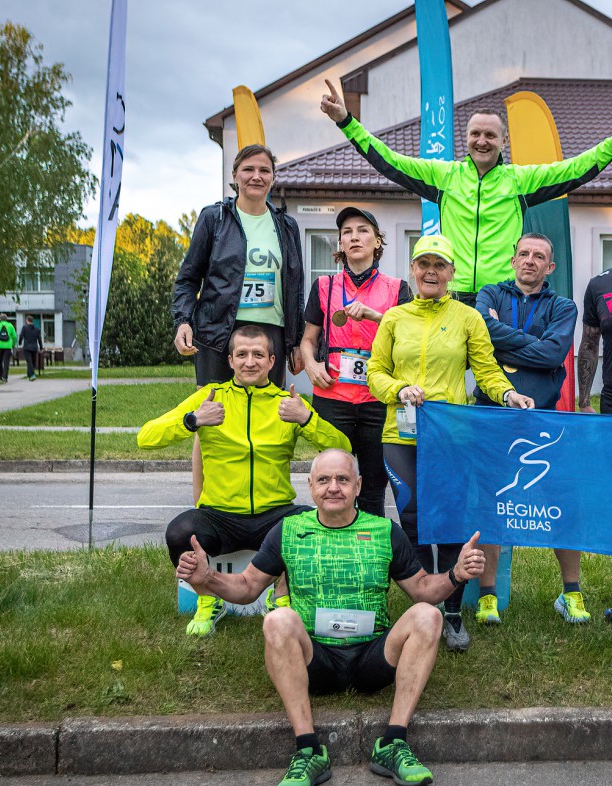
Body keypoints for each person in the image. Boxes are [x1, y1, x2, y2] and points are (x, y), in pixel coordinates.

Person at [175, 448, 487, 786]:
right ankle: (308, 751)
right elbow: (247, 587)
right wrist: (208, 578)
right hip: (315, 659)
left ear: (358, 486)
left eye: (342, 479)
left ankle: (393, 743)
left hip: (373, 658)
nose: (333, 487)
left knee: (429, 615)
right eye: (324, 480)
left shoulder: (384, 531)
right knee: (277, 619)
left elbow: (423, 590)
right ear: (310, 486)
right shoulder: (289, 530)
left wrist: (456, 573)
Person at [319, 80, 612, 303]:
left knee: (499, 376)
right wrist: (346, 121)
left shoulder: (520, 180)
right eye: (475, 134)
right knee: (445, 375)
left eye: (490, 135)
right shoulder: (444, 176)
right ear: (467, 138)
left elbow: (576, 169)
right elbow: (388, 160)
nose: (482, 141)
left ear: (503, 141)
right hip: (452, 292)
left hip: (501, 294)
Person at [367, 234, 534, 652]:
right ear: (412, 270)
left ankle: (454, 611)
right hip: (400, 435)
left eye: (439, 265)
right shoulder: (394, 318)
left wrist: (508, 394)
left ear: (451, 273)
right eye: (423, 264)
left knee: (453, 521)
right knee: (412, 519)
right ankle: (426, 605)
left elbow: (487, 371)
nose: (431, 272)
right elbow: (375, 373)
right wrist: (399, 388)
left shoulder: (467, 317)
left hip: (452, 436)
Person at [138, 325, 350, 637]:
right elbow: (146, 437)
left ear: (272, 361)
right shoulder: (210, 398)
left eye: (258, 355)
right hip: (219, 516)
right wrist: (193, 420)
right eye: (242, 354)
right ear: (230, 361)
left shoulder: (288, 402)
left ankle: (281, 597)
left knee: (312, 524)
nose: (250, 362)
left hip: (273, 515)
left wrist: (306, 419)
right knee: (179, 531)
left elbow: (343, 448)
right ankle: (209, 599)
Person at [171, 144, 306, 500]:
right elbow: (188, 278)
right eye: (248, 169)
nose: (256, 176)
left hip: (271, 334)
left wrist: (294, 342)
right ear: (235, 176)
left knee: (268, 419)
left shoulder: (286, 226)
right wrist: (183, 321)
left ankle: (263, 501)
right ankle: (204, 503)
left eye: (264, 170)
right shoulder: (214, 219)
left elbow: (295, 286)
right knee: (211, 418)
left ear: (273, 178)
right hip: (218, 334)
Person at [471, 232, 589, 625]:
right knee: (490, 503)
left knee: (560, 504)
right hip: (491, 413)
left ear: (549, 266)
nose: (530, 261)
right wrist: (529, 345)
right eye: (523, 253)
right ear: (513, 259)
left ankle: (571, 593)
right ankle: (487, 597)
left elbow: (554, 353)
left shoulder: (563, 306)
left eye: (539, 256)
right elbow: (481, 334)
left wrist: (502, 341)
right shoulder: (490, 293)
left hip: (543, 420)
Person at [299, 207, 412, 518]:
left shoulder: (397, 288)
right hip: (333, 396)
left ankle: (371, 543)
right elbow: (308, 340)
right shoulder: (324, 286)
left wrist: (376, 316)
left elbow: (409, 338)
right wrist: (310, 365)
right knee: (332, 483)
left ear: (377, 241)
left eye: (363, 230)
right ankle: (333, 539)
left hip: (378, 399)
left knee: (373, 486)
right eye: (347, 232)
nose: (354, 237)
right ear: (340, 243)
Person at [0, 313, 17, 382]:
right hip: (8, 346)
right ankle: (5, 377)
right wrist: (13, 344)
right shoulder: (10, 325)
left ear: (0, 319)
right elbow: (14, 336)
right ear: (7, 319)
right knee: (6, 362)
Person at [17, 315, 43, 381]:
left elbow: (21, 336)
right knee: (33, 362)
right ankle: (29, 376)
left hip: (27, 347)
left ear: (27, 321)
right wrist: (41, 347)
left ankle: (32, 375)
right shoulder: (37, 329)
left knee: (29, 362)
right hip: (34, 347)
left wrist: (19, 343)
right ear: (32, 321)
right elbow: (39, 339)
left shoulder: (24, 328)